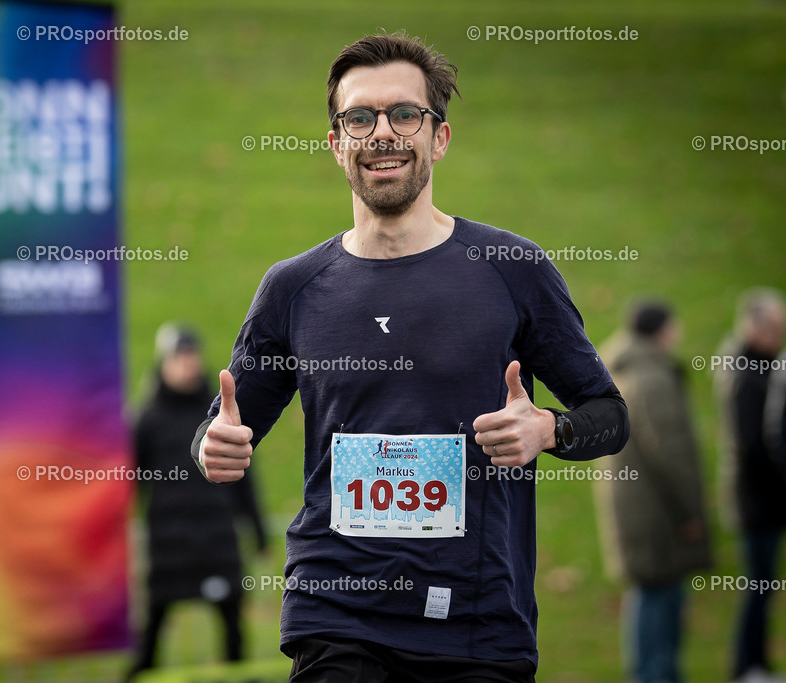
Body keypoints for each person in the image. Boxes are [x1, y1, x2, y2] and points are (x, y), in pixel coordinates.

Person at [191, 32, 630, 682]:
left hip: (476, 621)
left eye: (405, 114)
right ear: (337, 144)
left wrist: (549, 428)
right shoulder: (293, 288)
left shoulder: (512, 269)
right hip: (335, 612)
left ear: (439, 137)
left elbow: (610, 414)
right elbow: (225, 427)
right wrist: (212, 446)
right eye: (360, 117)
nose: (383, 133)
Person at [127, 324, 267, 680]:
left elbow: (244, 478)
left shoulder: (216, 416)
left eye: (192, 356)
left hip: (217, 542)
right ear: (164, 363)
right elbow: (129, 482)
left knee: (234, 633)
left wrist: (258, 528)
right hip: (168, 547)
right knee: (153, 631)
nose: (188, 364)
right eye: (179, 357)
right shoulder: (147, 419)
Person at [594, 300, 711, 683]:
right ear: (662, 330)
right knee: (659, 598)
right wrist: (690, 512)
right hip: (657, 512)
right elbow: (672, 454)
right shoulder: (652, 379)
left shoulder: (620, 373)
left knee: (650, 592)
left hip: (636, 509)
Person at [715, 288, 786, 683]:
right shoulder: (745, 372)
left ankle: (756, 664)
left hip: (763, 498)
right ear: (753, 325)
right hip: (756, 499)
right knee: (757, 587)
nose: (780, 334)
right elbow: (753, 444)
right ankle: (748, 667)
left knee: (763, 586)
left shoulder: (761, 366)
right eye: (774, 326)